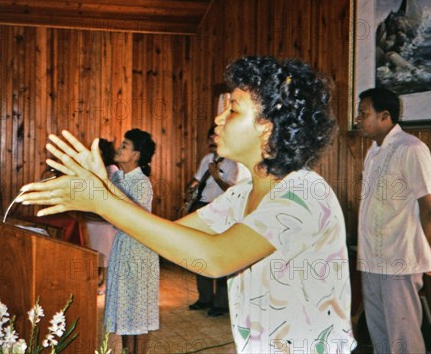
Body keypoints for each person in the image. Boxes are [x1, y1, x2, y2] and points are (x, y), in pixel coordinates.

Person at [18, 56, 356, 353]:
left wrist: (104, 200)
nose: (220, 119)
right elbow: (169, 237)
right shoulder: (241, 194)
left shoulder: (304, 193)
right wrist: (103, 188)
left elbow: (214, 258)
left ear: (268, 128)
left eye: (233, 109)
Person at [355, 87, 431, 354]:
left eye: (363, 113)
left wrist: (427, 250)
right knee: (380, 337)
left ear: (385, 116)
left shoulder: (412, 148)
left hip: (400, 261)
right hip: (372, 261)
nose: (358, 119)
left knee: (403, 341)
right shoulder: (373, 152)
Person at [104, 129, 158, 354]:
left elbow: (132, 220)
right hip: (122, 247)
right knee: (125, 310)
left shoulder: (141, 183)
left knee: (138, 311)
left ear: (136, 155)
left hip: (139, 251)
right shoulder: (116, 177)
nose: (119, 147)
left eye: (125, 145)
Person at [185, 126, 238, 317]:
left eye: (214, 136)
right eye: (210, 137)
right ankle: (204, 298)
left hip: (223, 211)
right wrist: (189, 189)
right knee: (200, 254)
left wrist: (217, 176)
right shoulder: (207, 159)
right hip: (202, 207)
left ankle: (221, 303)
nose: (211, 140)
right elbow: (197, 179)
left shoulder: (234, 163)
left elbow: (233, 191)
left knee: (219, 255)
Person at [86, 138, 119, 293]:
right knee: (96, 250)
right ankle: (98, 280)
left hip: (104, 218)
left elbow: (109, 190)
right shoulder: (93, 168)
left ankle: (106, 283)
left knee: (105, 251)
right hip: (92, 215)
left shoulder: (111, 169)